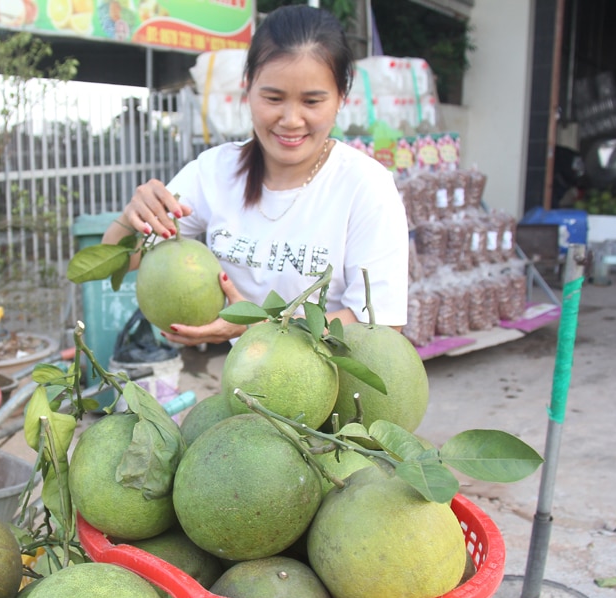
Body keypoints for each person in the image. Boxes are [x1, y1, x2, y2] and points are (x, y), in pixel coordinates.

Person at [102, 5, 409, 346]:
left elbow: (381, 324)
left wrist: (255, 325)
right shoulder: (216, 171)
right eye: (273, 97)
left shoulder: (365, 185)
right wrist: (134, 219)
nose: (291, 119)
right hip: (245, 384)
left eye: (312, 101)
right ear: (248, 89)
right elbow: (119, 261)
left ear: (340, 97)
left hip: (335, 387)